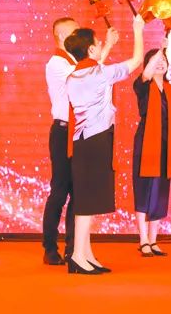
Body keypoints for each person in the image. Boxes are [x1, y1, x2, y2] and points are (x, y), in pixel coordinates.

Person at [65, 15, 145, 275]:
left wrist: (108, 45)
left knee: (85, 200)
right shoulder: (99, 74)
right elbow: (136, 61)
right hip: (97, 141)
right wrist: (138, 30)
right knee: (87, 202)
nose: (101, 45)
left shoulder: (74, 76)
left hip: (83, 142)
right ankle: (78, 256)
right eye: (98, 43)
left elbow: (96, 68)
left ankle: (85, 254)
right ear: (90, 49)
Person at [41, 17, 118, 265]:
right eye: (75, 32)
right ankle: (49, 246)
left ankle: (74, 249)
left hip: (81, 131)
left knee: (80, 192)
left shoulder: (77, 62)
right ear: (63, 37)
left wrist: (105, 49)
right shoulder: (56, 63)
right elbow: (88, 76)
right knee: (60, 190)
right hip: (63, 132)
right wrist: (106, 48)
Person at [132, 46, 171, 257]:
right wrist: (161, 48)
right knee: (144, 189)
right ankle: (143, 240)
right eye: (155, 60)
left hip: (167, 147)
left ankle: (153, 240)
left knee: (160, 192)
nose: (160, 62)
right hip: (146, 144)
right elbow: (146, 74)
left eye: (164, 59)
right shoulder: (143, 86)